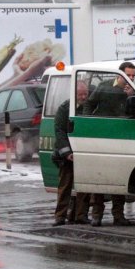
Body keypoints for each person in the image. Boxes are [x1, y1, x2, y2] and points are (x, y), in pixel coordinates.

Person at [84, 61, 135, 227]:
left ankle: (118, 215)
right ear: (119, 74)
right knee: (100, 177)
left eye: (133, 76)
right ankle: (97, 215)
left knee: (119, 177)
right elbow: (89, 103)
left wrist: (131, 96)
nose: (131, 78)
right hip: (103, 136)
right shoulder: (105, 86)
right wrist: (88, 123)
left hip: (121, 138)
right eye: (128, 75)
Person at [52, 81, 91, 226]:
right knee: (65, 186)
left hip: (84, 152)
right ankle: (60, 216)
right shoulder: (64, 108)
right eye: (80, 94)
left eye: (85, 94)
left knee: (84, 187)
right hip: (67, 155)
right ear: (74, 94)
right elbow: (59, 131)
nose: (83, 97)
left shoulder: (89, 107)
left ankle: (81, 215)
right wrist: (67, 152)